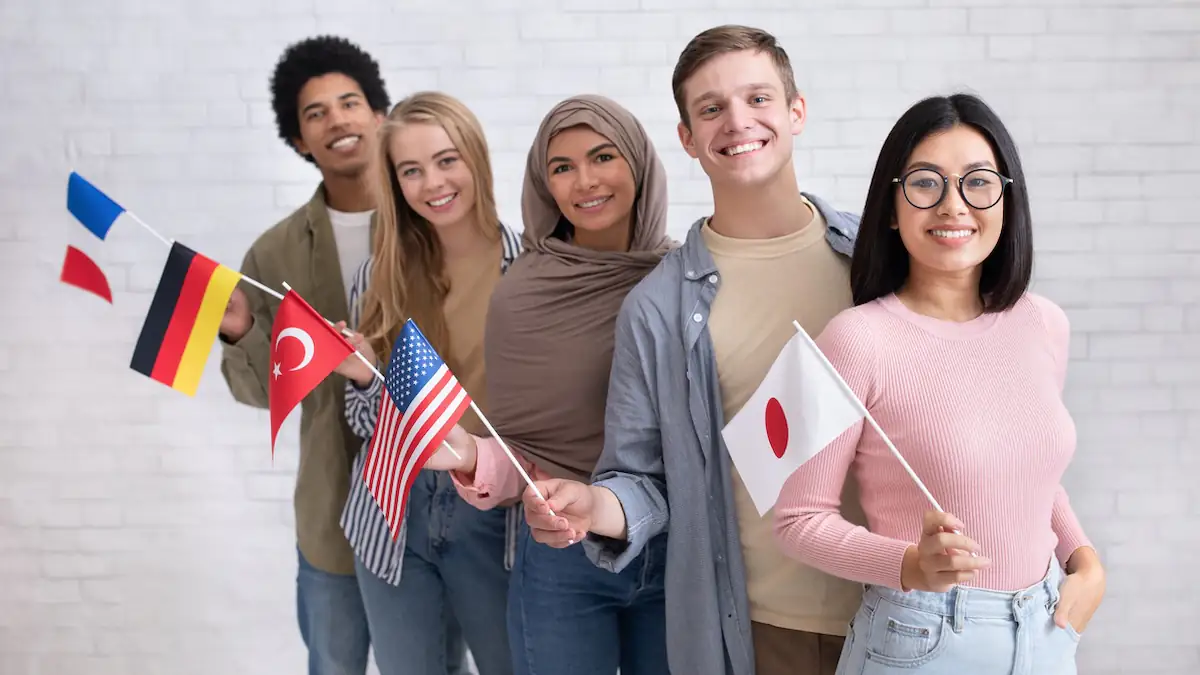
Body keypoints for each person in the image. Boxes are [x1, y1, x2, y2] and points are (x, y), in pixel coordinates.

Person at [518, 26, 867, 675]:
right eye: (711, 108)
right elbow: (640, 476)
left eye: (757, 98)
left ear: (796, 110)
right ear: (687, 137)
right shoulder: (658, 308)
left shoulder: (876, 257)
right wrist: (595, 506)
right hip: (761, 632)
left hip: (901, 613)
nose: (738, 121)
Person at [771, 93, 1106, 675]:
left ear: (1007, 198)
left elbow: (1032, 473)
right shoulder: (856, 340)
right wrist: (908, 565)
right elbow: (798, 522)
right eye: (927, 184)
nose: (954, 206)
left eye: (978, 183)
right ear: (893, 207)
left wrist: (1085, 559)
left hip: (1047, 629)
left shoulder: (1044, 324)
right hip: (922, 638)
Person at [427, 94, 675, 675]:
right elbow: (524, 448)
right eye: (561, 167)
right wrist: (472, 456)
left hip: (677, 550)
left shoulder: (684, 278)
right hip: (564, 553)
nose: (584, 181)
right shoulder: (523, 295)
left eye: (603, 156)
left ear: (639, 162)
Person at [333, 90, 520, 675]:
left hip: (495, 505)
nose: (432, 183)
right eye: (410, 170)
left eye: (446, 160)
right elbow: (364, 423)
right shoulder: (379, 275)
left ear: (476, 159)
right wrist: (365, 376)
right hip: (394, 508)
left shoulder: (533, 267)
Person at [218, 35, 389, 675]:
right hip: (333, 514)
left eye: (350, 102)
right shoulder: (275, 252)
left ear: (379, 115)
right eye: (316, 113)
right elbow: (260, 392)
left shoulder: (439, 223)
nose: (337, 119)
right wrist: (239, 333)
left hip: (441, 503)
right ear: (299, 141)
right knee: (333, 665)